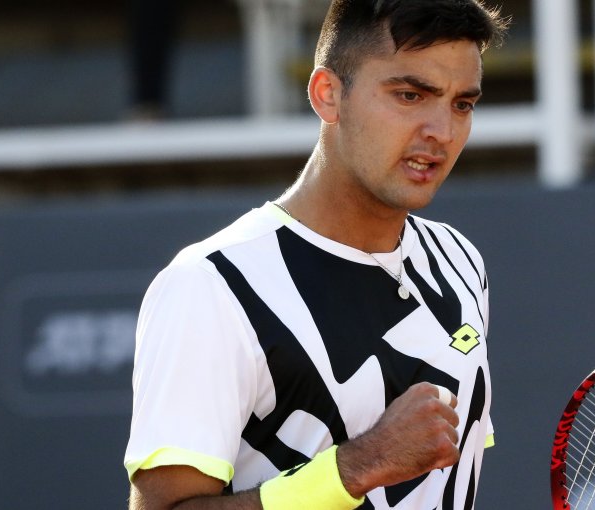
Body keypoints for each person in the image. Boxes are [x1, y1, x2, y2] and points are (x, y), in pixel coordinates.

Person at [123, 1, 508, 509]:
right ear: (329, 95)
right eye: (410, 95)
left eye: (463, 104)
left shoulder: (459, 261)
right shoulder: (210, 285)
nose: (442, 131)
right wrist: (355, 468)